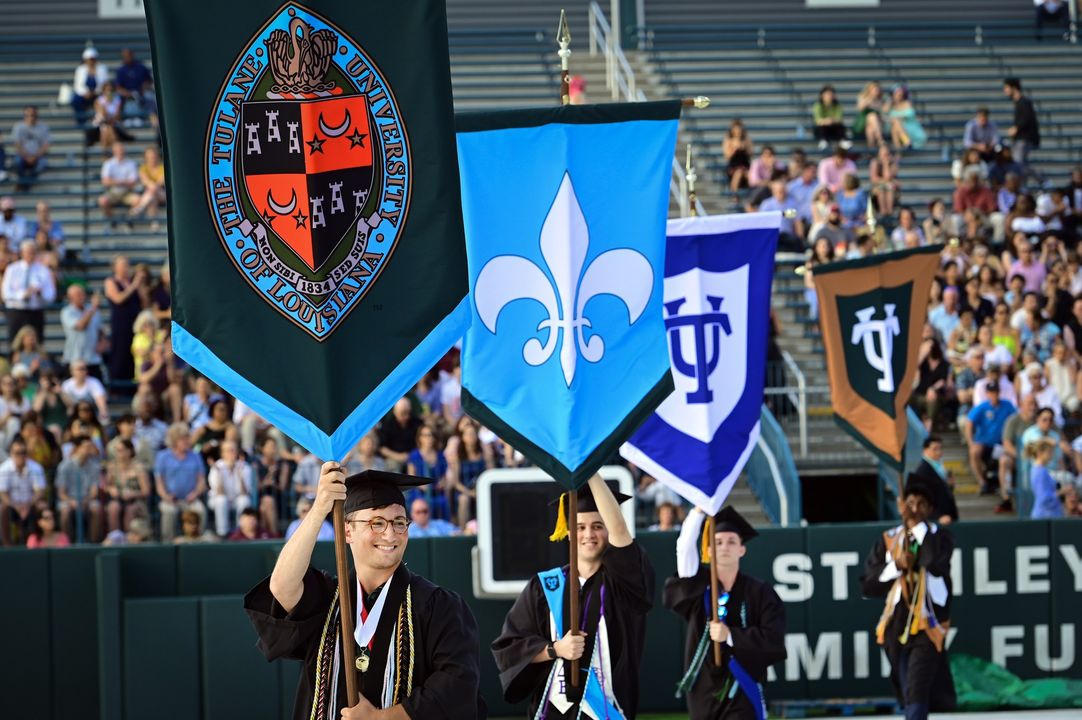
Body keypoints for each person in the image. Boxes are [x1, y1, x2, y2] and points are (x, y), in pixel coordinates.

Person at [244, 465, 486, 719]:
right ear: (348, 531)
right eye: (377, 523)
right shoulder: (327, 599)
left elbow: (458, 686)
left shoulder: (438, 605)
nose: (390, 533)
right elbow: (282, 587)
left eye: (400, 522)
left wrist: (381, 717)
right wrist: (319, 509)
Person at [492, 476, 652, 719]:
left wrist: (590, 469)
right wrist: (555, 649)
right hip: (553, 710)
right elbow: (510, 648)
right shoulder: (545, 586)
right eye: (580, 527)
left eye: (598, 525)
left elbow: (622, 535)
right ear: (567, 532)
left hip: (606, 709)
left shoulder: (622, 584)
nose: (589, 534)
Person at [664, 506, 786, 719]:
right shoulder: (697, 587)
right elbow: (684, 549)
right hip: (704, 686)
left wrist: (730, 636)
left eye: (731, 542)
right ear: (708, 550)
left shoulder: (760, 592)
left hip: (743, 683)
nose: (724, 547)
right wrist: (698, 512)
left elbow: (773, 638)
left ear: (742, 549)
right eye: (718, 542)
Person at [861, 476, 956, 720]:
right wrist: (896, 565)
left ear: (930, 509)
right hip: (896, 625)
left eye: (921, 504)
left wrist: (915, 526)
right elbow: (869, 585)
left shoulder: (939, 536)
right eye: (910, 502)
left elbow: (933, 563)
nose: (914, 508)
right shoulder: (889, 540)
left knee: (917, 688)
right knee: (907, 689)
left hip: (928, 624)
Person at [154, 422, 208, 542]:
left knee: (200, 510)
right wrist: (166, 496)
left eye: (188, 438)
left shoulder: (195, 456)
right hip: (170, 499)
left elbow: (201, 481)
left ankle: (199, 541)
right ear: (174, 441)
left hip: (191, 498)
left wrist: (194, 494)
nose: (187, 441)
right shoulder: (162, 456)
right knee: (169, 511)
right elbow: (159, 483)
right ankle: (168, 542)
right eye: (183, 439)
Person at [2, 239, 56, 346]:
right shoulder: (12, 269)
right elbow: (6, 293)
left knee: (37, 342)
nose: (30, 255)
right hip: (16, 311)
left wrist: (40, 293)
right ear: (22, 253)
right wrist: (22, 295)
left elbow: (51, 295)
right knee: (14, 343)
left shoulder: (43, 270)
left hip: (35, 311)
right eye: (28, 252)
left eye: (33, 252)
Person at [965, 381, 1016, 495]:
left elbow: (1015, 419)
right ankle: (982, 482)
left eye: (995, 392)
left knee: (1007, 457)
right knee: (974, 452)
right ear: (987, 394)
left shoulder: (1007, 405)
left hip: (1002, 443)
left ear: (999, 393)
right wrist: (970, 442)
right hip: (984, 443)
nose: (993, 395)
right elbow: (969, 422)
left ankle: (1007, 488)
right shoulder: (982, 407)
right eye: (991, 392)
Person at [55, 434, 104, 543]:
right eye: (86, 447)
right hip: (69, 500)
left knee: (96, 508)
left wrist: (85, 500)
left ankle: (93, 541)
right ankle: (67, 542)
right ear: (77, 448)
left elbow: (94, 491)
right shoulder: (64, 466)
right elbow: (61, 493)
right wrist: (72, 501)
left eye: (91, 447)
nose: (89, 450)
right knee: (65, 511)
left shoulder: (95, 466)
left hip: (87, 499)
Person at [104, 254, 144, 383]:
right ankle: (117, 387)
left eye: (127, 264)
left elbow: (144, 302)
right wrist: (134, 285)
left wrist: (140, 286)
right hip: (121, 323)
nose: (126, 268)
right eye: (122, 265)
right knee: (120, 354)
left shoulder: (132, 281)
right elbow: (118, 299)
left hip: (136, 323)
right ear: (115, 267)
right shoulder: (111, 281)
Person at [0, 437, 46, 545]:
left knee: (42, 507)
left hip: (31, 503)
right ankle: (7, 545)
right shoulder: (4, 469)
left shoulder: (36, 468)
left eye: (23, 452)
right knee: (1, 509)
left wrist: (28, 504)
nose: (21, 455)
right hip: (11, 505)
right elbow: (2, 493)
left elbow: (40, 491)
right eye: (17, 453)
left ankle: (34, 543)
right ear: (11, 454)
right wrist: (16, 506)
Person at [207, 440, 252, 537]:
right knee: (221, 500)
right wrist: (220, 474)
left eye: (233, 450)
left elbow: (244, 492)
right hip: (217, 499)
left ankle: (239, 532)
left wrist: (239, 473)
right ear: (222, 453)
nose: (231, 453)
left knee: (244, 500)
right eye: (228, 451)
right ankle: (222, 533)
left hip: (236, 499)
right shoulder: (217, 467)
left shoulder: (244, 466)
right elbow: (219, 492)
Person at [912, 436, 958, 525]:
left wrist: (949, 485)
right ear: (925, 450)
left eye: (940, 448)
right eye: (935, 449)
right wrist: (937, 516)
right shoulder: (922, 471)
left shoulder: (939, 467)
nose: (939, 452)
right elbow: (921, 498)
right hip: (935, 521)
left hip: (947, 517)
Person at [60, 284, 104, 377]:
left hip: (93, 358)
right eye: (78, 294)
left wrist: (102, 342)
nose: (82, 296)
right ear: (70, 297)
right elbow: (81, 326)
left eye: (83, 293)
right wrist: (93, 309)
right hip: (74, 359)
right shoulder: (67, 312)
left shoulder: (92, 309)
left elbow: (100, 330)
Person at [98, 143, 140, 231]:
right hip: (112, 192)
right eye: (118, 150)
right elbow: (105, 182)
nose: (120, 152)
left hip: (126, 193)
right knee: (102, 201)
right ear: (114, 151)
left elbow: (133, 182)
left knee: (137, 200)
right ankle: (112, 220)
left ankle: (129, 219)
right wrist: (123, 182)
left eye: (121, 150)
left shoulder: (131, 163)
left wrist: (114, 182)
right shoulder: (108, 163)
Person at [1003, 78, 1040, 176]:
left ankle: (1042, 179)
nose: (1005, 91)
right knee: (1021, 165)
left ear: (1014, 88)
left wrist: (1016, 128)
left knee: (1018, 164)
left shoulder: (1024, 102)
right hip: (1020, 139)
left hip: (1024, 138)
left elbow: (1028, 118)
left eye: (1007, 88)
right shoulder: (1019, 103)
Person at [10, 106, 50, 191]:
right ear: (24, 115)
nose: (31, 117)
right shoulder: (18, 126)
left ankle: (25, 183)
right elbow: (17, 145)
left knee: (43, 164)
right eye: (28, 115)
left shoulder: (43, 127)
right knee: (16, 162)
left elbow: (46, 146)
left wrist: (35, 156)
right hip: (22, 156)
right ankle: (24, 182)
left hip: (38, 156)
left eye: (33, 115)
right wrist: (27, 156)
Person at [1026, 437, 1065, 519]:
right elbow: (1044, 499)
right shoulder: (1040, 472)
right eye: (1049, 452)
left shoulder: (1041, 470)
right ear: (1040, 453)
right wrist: (1062, 492)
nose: (1051, 455)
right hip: (1044, 517)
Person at [72, 47, 108, 122]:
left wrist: (95, 92)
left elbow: (104, 84)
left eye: (92, 59)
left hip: (98, 93)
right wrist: (86, 92)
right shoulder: (80, 69)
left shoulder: (102, 68)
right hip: (84, 94)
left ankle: (100, 120)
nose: (91, 61)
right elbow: (77, 86)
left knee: (104, 100)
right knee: (76, 100)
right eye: (89, 59)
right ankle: (81, 121)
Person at [887, 85, 926, 150]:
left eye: (900, 94)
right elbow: (884, 114)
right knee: (895, 123)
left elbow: (910, 115)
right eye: (896, 94)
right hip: (891, 125)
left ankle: (898, 152)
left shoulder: (907, 103)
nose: (899, 96)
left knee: (895, 126)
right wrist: (889, 102)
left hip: (908, 126)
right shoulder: (889, 105)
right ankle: (906, 142)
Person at [811, 84, 847, 150]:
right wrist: (827, 121)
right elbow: (818, 121)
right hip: (823, 128)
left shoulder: (838, 106)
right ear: (822, 96)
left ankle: (842, 140)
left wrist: (831, 120)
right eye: (827, 94)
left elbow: (840, 119)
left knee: (840, 127)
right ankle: (823, 140)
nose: (829, 96)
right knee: (821, 127)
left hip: (833, 128)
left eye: (831, 94)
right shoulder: (817, 106)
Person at [723, 119, 753, 192]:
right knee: (738, 173)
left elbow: (750, 153)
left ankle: (752, 195)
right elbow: (727, 156)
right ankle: (734, 195)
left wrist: (744, 146)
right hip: (733, 166)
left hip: (745, 165)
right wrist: (734, 149)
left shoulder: (746, 140)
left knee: (750, 175)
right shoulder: (728, 140)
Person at [853, 81, 885, 148]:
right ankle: (880, 139)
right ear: (870, 90)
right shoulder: (863, 97)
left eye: (878, 90)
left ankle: (871, 150)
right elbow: (859, 108)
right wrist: (869, 101)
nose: (877, 92)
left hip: (877, 124)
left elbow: (883, 112)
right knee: (871, 116)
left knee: (869, 129)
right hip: (862, 123)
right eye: (875, 90)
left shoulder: (881, 100)